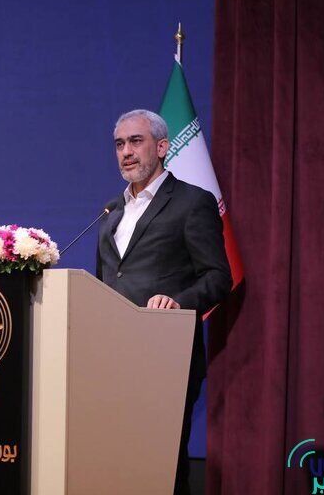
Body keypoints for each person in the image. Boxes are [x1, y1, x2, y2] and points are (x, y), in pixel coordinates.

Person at [96, 109, 231, 495]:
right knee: (113, 463)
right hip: (110, 358)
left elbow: (218, 277)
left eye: (135, 141)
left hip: (165, 356)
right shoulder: (111, 212)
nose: (126, 151)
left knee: (161, 466)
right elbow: (104, 283)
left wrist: (177, 302)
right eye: (119, 144)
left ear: (161, 147)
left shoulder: (192, 202)